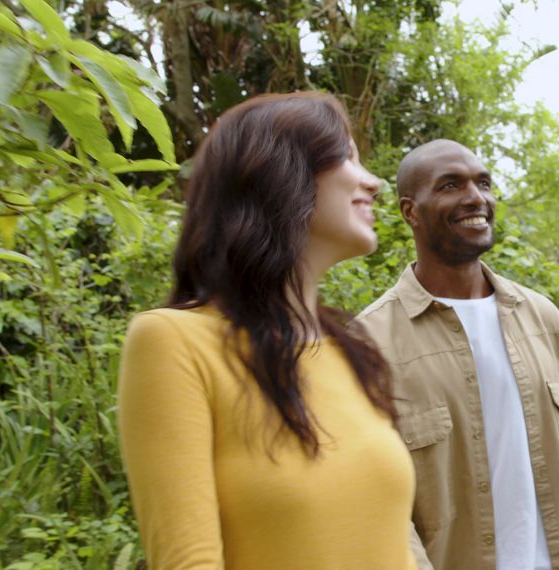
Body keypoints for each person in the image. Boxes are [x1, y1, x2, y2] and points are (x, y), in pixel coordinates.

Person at [117, 92, 417, 569]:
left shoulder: (352, 352)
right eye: (346, 156)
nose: (373, 182)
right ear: (281, 173)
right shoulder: (172, 343)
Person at [353, 139, 559, 570]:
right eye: (450, 185)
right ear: (410, 211)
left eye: (483, 183)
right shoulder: (369, 342)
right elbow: (375, 503)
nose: (475, 198)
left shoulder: (544, 320)